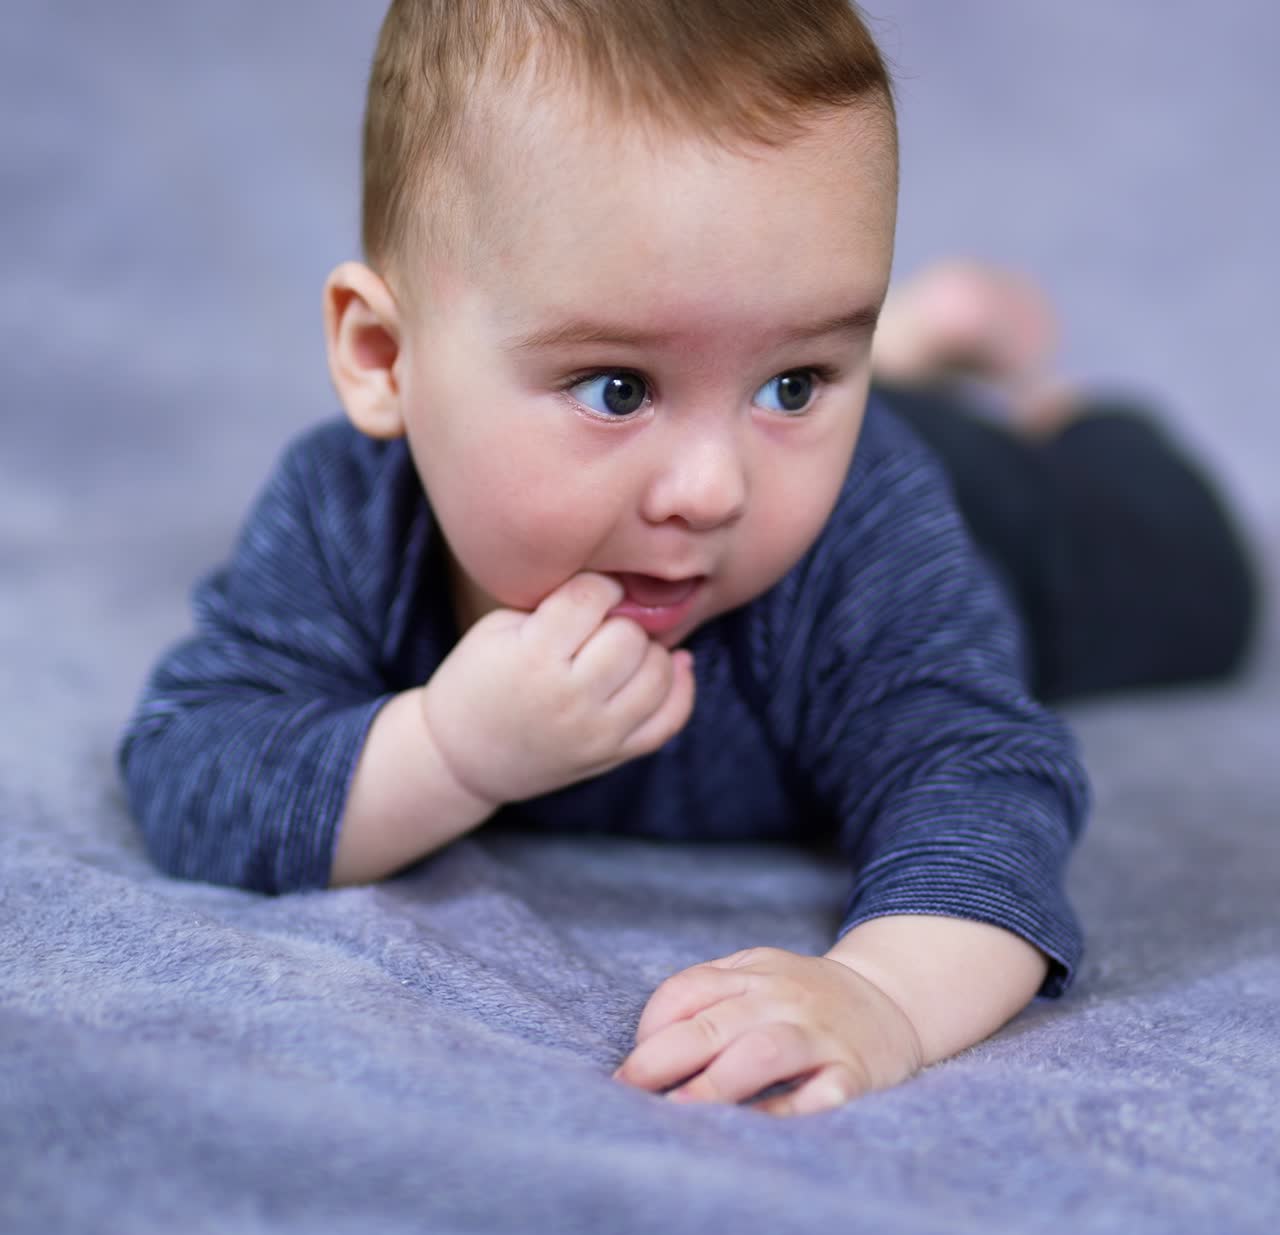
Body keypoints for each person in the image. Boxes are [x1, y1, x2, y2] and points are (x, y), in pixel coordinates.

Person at [118, 0, 1256, 1117]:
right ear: (383, 358)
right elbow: (192, 769)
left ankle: (1038, 412)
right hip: (850, 443)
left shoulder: (863, 538)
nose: (709, 491)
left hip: (1014, 520)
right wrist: (450, 750)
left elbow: (982, 781)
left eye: (796, 374)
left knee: (1203, 585)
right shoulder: (352, 518)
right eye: (617, 388)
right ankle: (884, 352)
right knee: (756, 372)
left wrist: (881, 998)